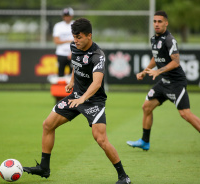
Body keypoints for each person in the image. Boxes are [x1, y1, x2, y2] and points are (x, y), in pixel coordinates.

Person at [24, 18, 131, 184]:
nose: (76, 41)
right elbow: (76, 63)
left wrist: (82, 98)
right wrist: (72, 81)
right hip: (76, 97)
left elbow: (96, 83)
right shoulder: (74, 46)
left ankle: (124, 177)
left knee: (101, 139)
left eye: (79, 37)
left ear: (89, 36)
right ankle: (44, 168)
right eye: (74, 37)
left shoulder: (98, 56)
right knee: (48, 125)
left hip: (93, 101)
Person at [126, 11, 200, 156]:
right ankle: (145, 141)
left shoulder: (169, 39)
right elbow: (155, 57)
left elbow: (176, 62)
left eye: (160, 21)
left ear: (166, 23)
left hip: (176, 83)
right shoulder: (154, 39)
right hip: (164, 82)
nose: (157, 24)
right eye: (155, 21)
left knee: (185, 113)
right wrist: (145, 71)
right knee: (146, 107)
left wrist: (158, 71)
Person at [53, 7, 74, 77]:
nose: (66, 17)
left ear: (71, 16)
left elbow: (78, 41)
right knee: (60, 74)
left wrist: (72, 51)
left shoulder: (75, 24)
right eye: (65, 16)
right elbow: (56, 41)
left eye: (68, 16)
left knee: (74, 75)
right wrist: (69, 40)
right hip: (61, 53)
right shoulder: (58, 26)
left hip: (73, 53)